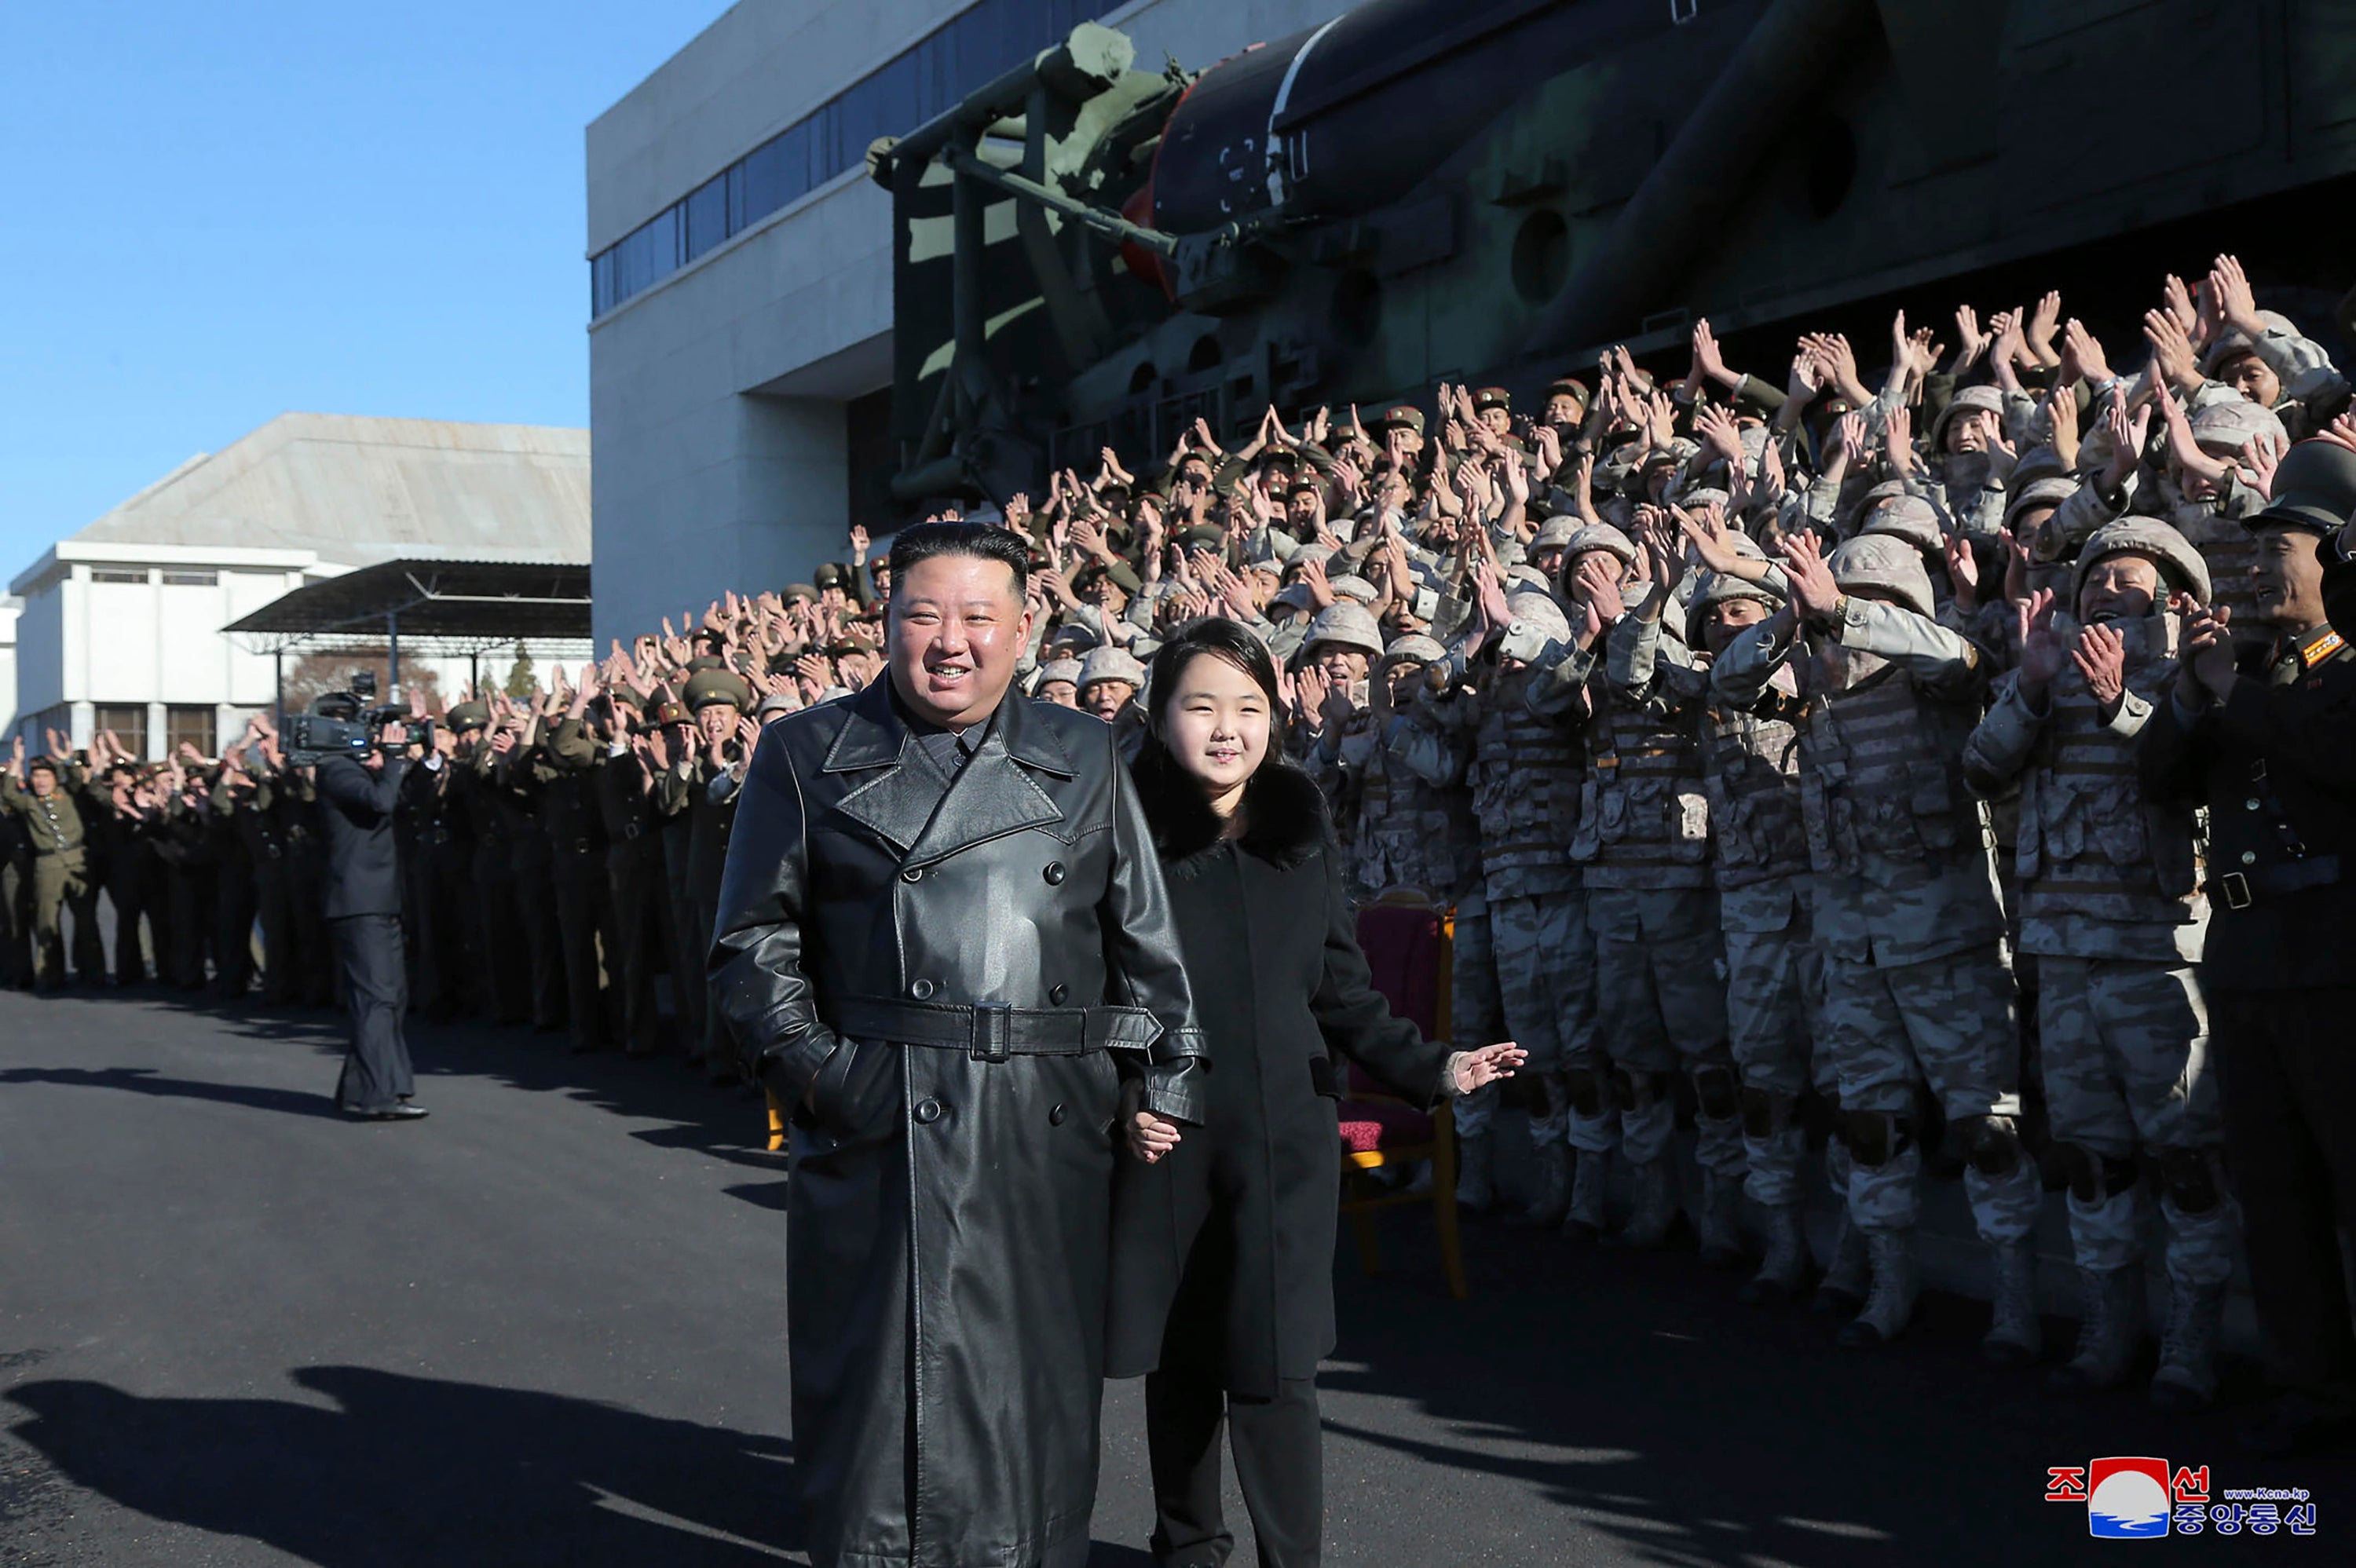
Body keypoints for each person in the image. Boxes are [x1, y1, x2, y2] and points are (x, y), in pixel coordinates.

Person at [710, 521, 1208, 1568]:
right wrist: (831, 1079)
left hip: (1045, 1122)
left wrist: (1166, 1077)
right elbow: (751, 947)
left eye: (979, 617)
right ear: (883, 622)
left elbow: (1145, 935)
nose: (952, 641)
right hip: (879, 1123)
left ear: (1023, 627)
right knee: (883, 1405)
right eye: (924, 614)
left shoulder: (1084, 751)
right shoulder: (803, 752)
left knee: (1031, 1407)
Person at [1109, 618, 1523, 1568]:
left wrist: (1435, 1066)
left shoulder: (1302, 820)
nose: (1227, 728)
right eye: (1202, 705)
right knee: (1179, 1356)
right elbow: (1090, 984)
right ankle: (1187, 1547)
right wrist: (1127, 1094)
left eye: (1248, 707)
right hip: (1168, 1130)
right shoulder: (1119, 829)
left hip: (1285, 1129)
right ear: (1161, 715)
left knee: (1276, 1361)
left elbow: (1342, 987)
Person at [2138, 445, 2356, 1457]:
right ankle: (2313, 1386)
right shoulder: (2244, 675)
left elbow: (2335, 755)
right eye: (2257, 550)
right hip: (2248, 959)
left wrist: (2233, 689)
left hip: (2335, 962)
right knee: (2276, 1197)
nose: (2266, 567)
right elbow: (2158, 777)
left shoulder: (2344, 668)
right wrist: (2191, 690)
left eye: (2288, 549)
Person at [315, 708, 429, 1122]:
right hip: (359, 903)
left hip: (378, 900)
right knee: (377, 998)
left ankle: (360, 1089)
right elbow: (382, 801)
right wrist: (394, 759)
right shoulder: (336, 771)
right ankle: (380, 1095)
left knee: (389, 998)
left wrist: (421, 759)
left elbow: (402, 796)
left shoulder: (358, 771)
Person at [2, 740, 104, 989]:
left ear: (54, 779)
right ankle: (50, 973)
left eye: (46, 776)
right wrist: (16, 761)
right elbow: (9, 793)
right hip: (47, 865)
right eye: (36, 777)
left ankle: (94, 973)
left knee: (86, 919)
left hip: (77, 857)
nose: (41, 782)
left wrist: (66, 758)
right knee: (47, 921)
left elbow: (76, 777)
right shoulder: (30, 804)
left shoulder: (67, 795)